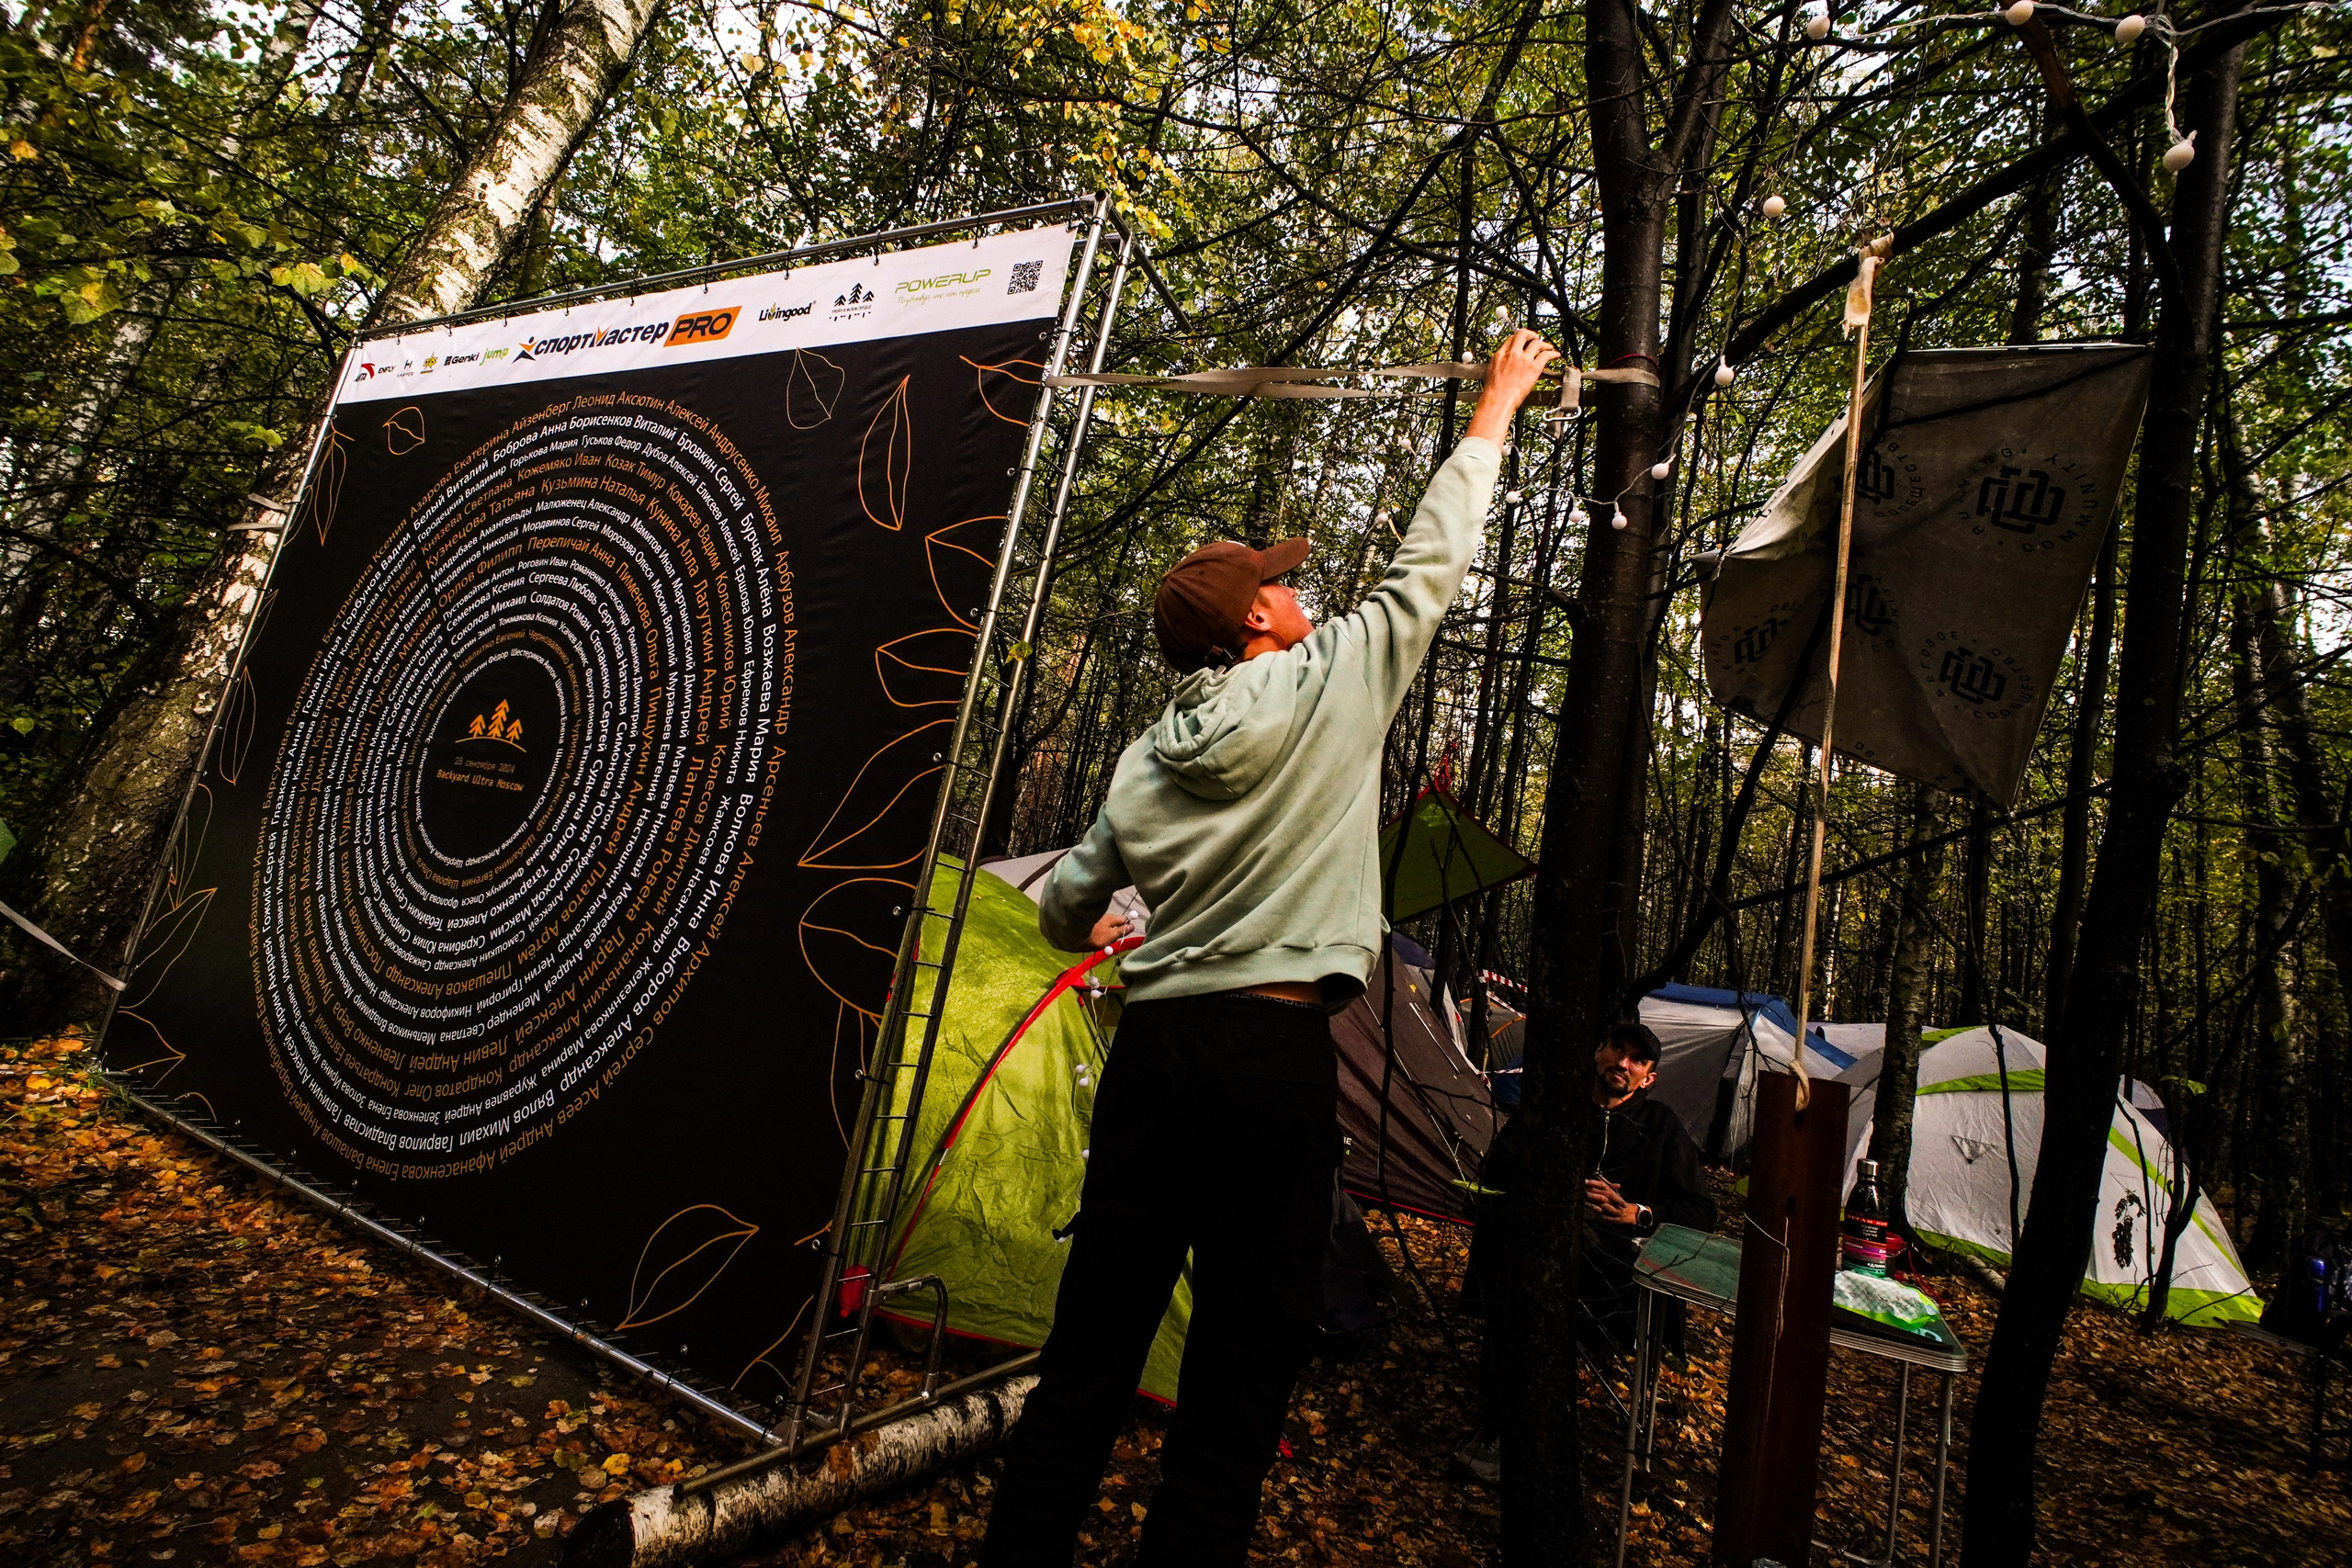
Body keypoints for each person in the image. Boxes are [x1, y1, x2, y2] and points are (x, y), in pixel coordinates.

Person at [978, 330, 1559, 1566]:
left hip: (1157, 1058)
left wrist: (1128, 925)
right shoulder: (1332, 678)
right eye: (1282, 580)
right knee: (1238, 1380)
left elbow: (1061, 909)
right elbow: (1431, 567)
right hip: (1269, 1066)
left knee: (1090, 1354)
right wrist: (1496, 406)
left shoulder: (1147, 755)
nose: (1304, 588)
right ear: (1255, 615)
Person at [1453, 1019, 1714, 1484]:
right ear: (1598, 1053)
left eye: (1637, 1060)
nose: (1623, 1062)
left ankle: (1519, 1421)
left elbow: (1700, 1210)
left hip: (1619, 1275)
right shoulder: (1553, 1110)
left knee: (1545, 1264)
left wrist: (1637, 1213)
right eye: (1616, 1048)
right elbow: (1494, 1178)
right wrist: (1551, 1194)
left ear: (1648, 1078)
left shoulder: (1662, 1127)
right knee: (1523, 1256)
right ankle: (1504, 1422)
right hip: (1536, 1257)